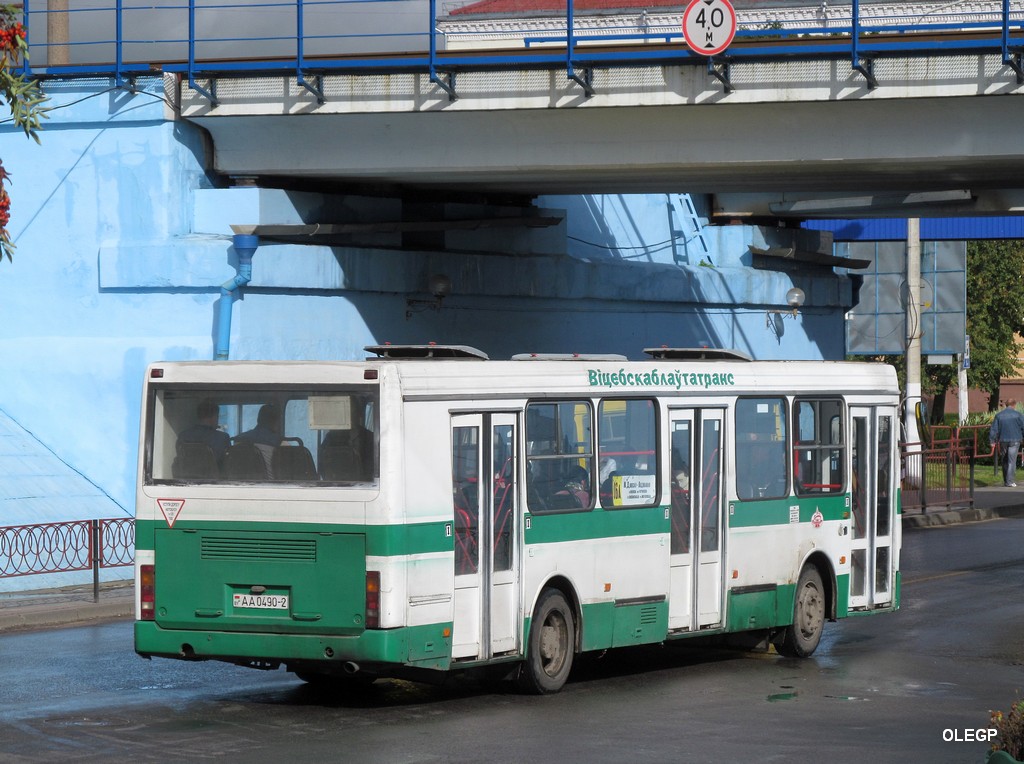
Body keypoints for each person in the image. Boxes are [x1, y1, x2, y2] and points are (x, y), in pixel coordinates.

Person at [176, 399, 230, 466]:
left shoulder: (183, 436)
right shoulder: (223, 438)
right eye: (217, 416)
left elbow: (180, 461)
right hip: (214, 476)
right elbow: (227, 465)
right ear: (214, 417)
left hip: (186, 475)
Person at [236, 404, 284, 475]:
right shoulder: (281, 443)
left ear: (258, 419)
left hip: (242, 483)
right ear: (275, 421)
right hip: (271, 484)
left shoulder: (238, 439)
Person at [990, 399, 1024, 487]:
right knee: (1011, 461)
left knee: (1004, 460)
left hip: (1003, 440)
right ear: (1014, 405)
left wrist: (992, 441)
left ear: (1006, 405)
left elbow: (994, 429)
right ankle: (1010, 481)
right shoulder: (1018, 415)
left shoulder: (999, 415)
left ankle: (1006, 480)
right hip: (1015, 440)